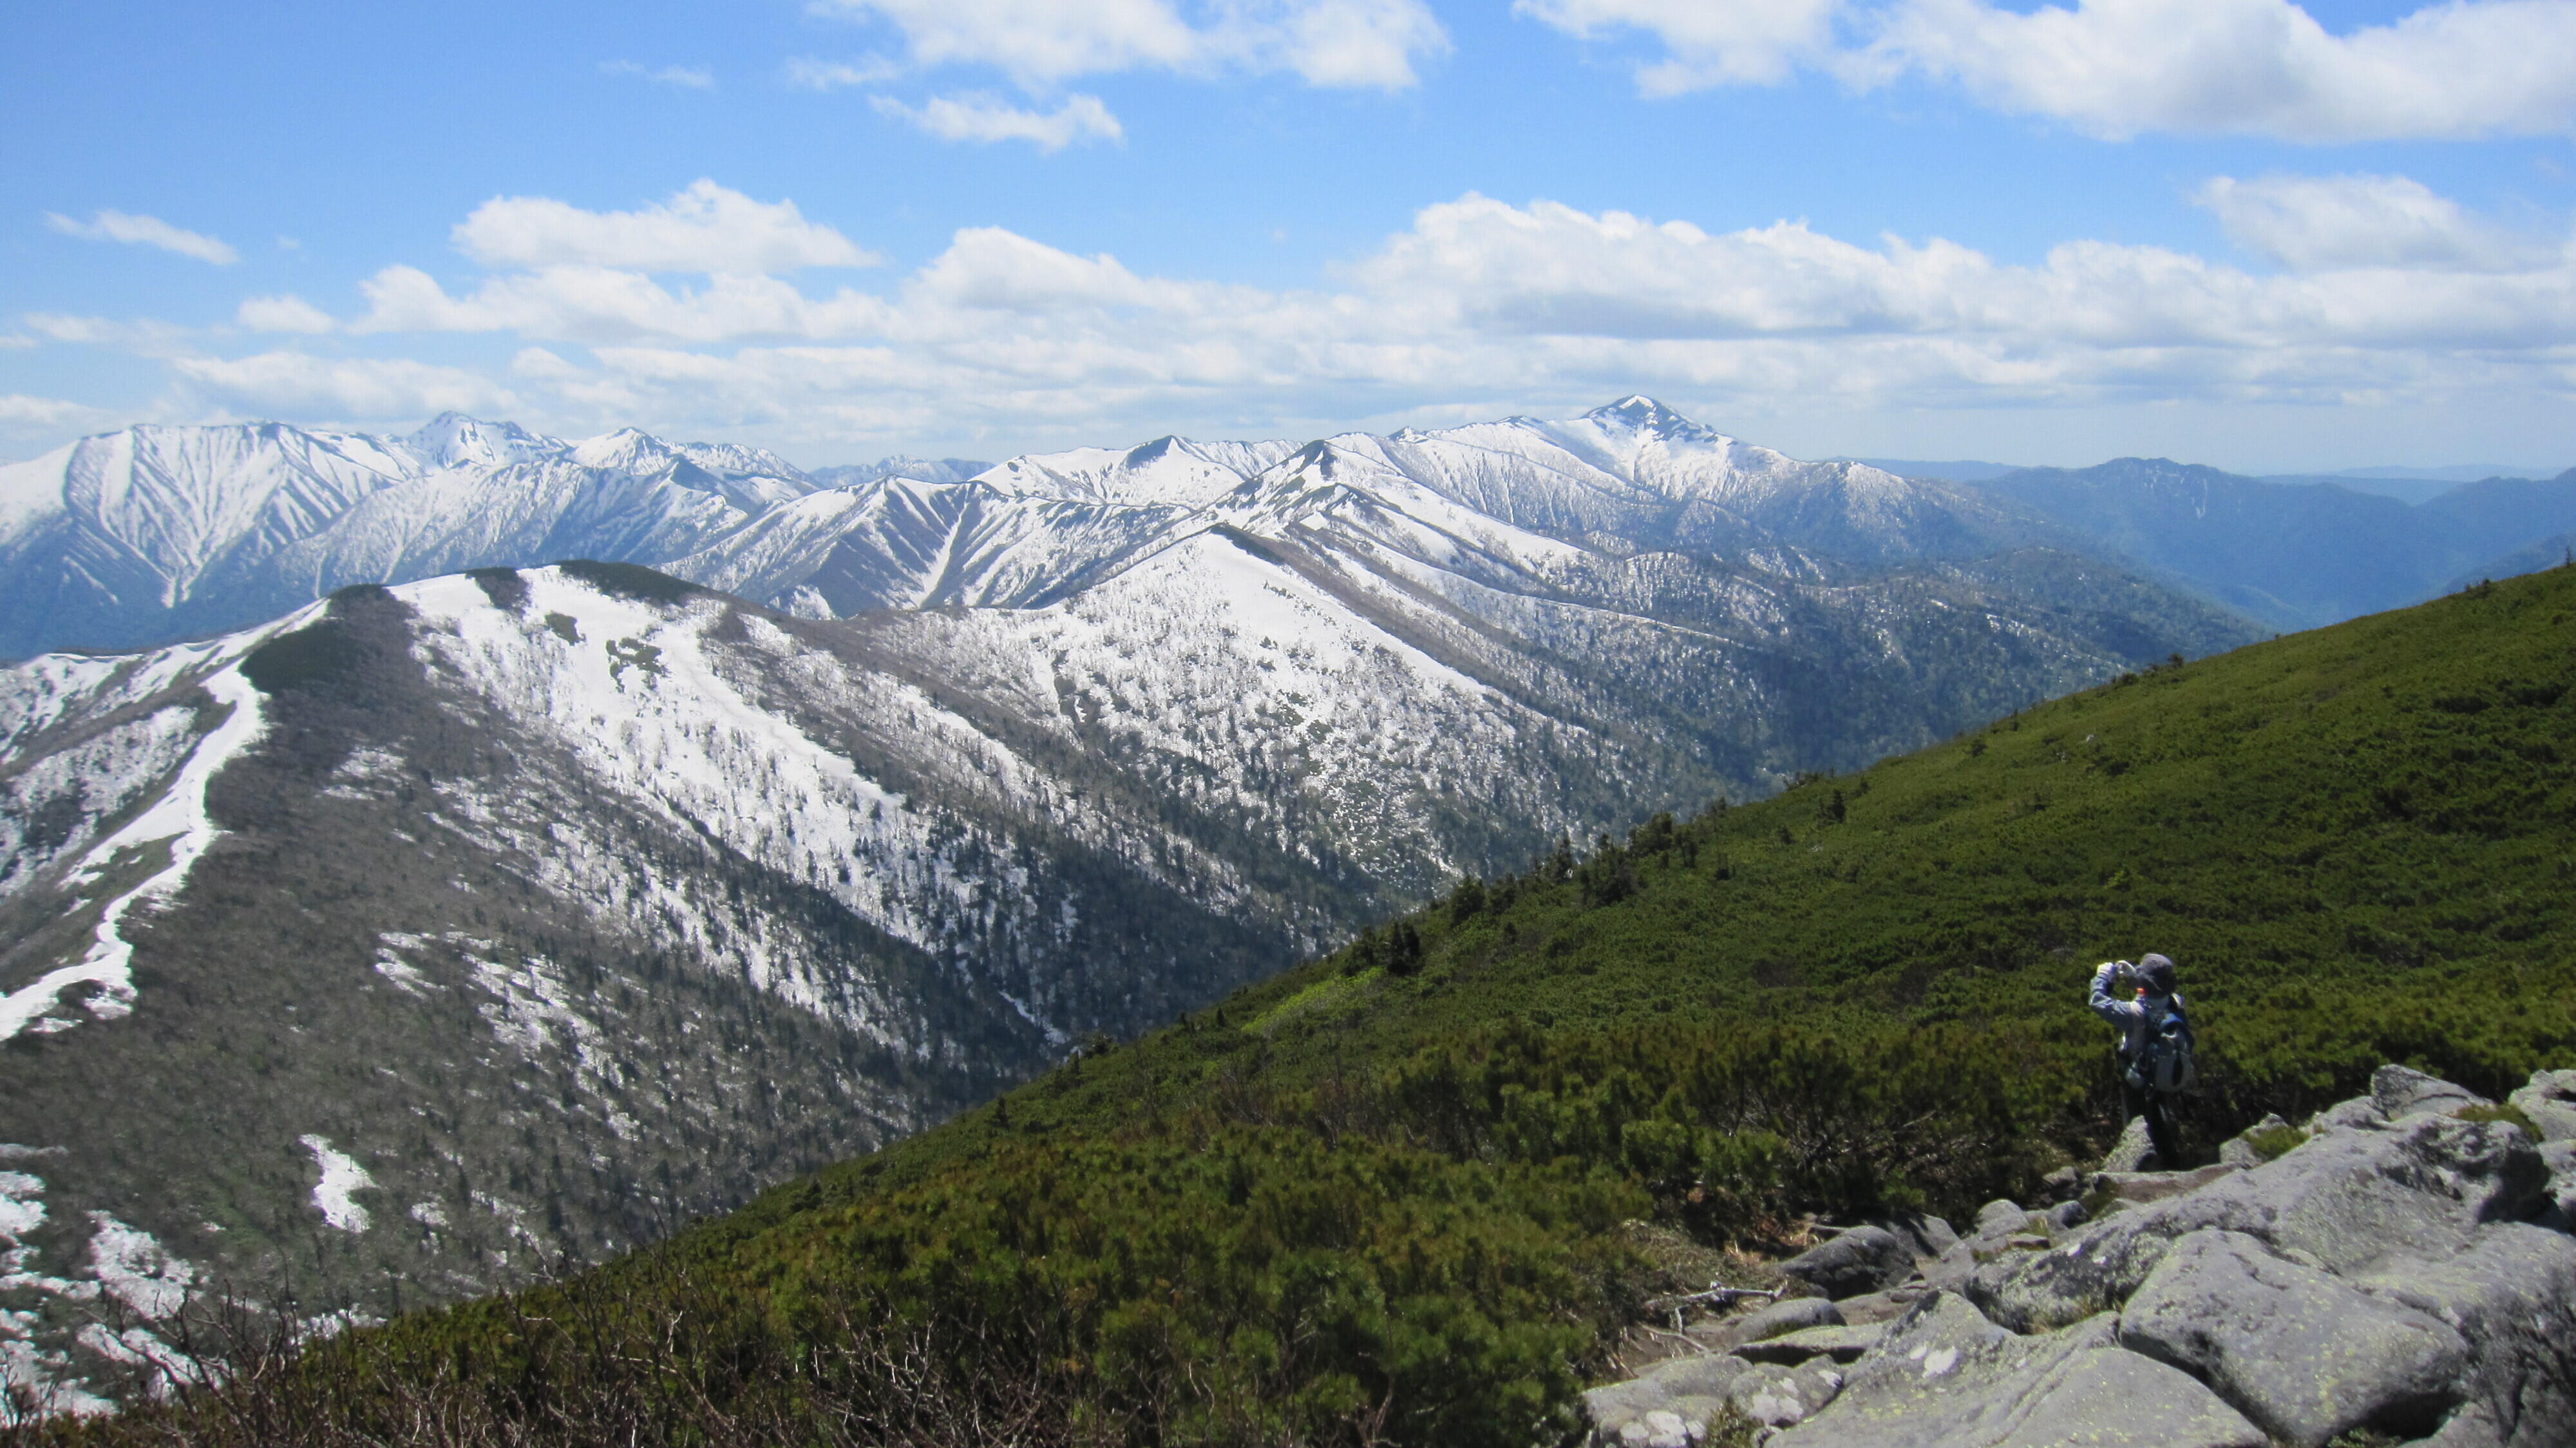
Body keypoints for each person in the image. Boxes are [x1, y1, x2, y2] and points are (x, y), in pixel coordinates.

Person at [2090, 953, 2185, 1168]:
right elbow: (2153, 995)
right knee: (2160, 1120)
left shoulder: (2134, 1013)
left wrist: (2103, 978)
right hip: (2163, 1072)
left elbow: (2098, 1002)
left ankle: (2139, 1169)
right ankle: (2172, 1164)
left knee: (2136, 1124)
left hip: (2137, 1075)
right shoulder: (2176, 1002)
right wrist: (2136, 979)